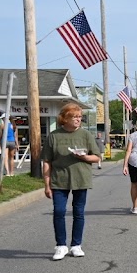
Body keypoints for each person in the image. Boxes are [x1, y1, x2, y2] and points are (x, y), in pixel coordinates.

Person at [42, 102, 101, 260]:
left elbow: (97, 157)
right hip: (59, 180)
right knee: (59, 211)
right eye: (74, 117)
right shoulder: (54, 136)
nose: (78, 119)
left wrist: (84, 157)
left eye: (80, 117)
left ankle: (76, 245)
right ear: (64, 118)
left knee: (78, 212)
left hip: (81, 178)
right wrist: (46, 184)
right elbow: (46, 161)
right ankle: (61, 245)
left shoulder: (85, 135)